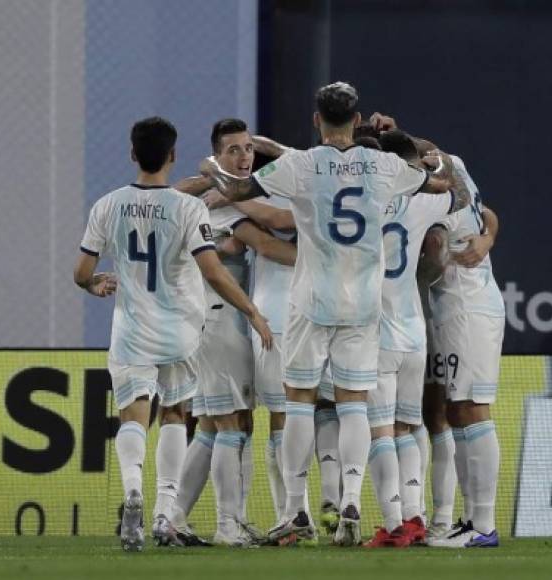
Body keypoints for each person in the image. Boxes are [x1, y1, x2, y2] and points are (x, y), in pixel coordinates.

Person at [198, 81, 451, 546]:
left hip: (312, 299)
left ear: (317, 120)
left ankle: (296, 509)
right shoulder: (384, 164)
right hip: (363, 303)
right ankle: (351, 499)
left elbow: (236, 187)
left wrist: (211, 166)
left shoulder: (301, 165)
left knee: (298, 402)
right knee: (354, 404)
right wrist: (434, 159)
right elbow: (438, 181)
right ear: (357, 120)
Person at [73, 116, 272, 552]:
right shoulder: (188, 208)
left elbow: (82, 272)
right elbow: (214, 271)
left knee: (133, 417)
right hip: (180, 329)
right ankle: (164, 515)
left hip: (131, 330)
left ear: (132, 154)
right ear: (173, 155)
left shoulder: (107, 205)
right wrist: (252, 310)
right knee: (177, 416)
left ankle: (132, 493)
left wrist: (95, 284)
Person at [170, 118, 297, 547]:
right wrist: (323, 255)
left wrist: (219, 182)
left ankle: (174, 518)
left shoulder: (221, 193)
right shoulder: (224, 202)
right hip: (220, 318)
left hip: (211, 319)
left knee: (211, 423)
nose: (244, 158)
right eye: (233, 151)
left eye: (247, 149)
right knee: (233, 424)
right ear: (217, 156)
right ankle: (229, 524)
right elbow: (269, 243)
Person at [363, 129, 469, 548]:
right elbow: (459, 197)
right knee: (411, 425)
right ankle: (417, 516)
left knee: (380, 429)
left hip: (373, 330)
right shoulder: (422, 202)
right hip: (413, 329)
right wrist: (437, 164)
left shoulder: (362, 201)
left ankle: (393, 525)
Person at [421, 156, 504, 549]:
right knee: (456, 410)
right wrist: (487, 236)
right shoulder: (455, 166)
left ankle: (484, 525)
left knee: (472, 407)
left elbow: (436, 257)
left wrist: (423, 265)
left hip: (467, 306)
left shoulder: (435, 201)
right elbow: (489, 212)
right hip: (455, 308)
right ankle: (470, 519)